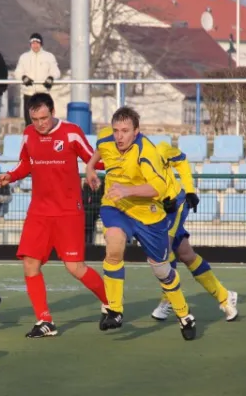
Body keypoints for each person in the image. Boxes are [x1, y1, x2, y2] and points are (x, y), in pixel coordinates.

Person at [0, 93, 108, 338]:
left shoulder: (71, 132)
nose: (40, 124)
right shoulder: (28, 134)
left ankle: (111, 304)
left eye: (44, 118)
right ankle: (45, 321)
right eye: (35, 119)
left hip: (68, 211)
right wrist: (10, 176)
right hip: (39, 212)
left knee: (75, 267)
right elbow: (26, 163)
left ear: (53, 111)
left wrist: (107, 161)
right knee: (29, 264)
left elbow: (94, 160)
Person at [85, 107, 196, 341]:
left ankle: (184, 314)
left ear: (136, 131)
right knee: (114, 246)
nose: (119, 136)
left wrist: (128, 190)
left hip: (149, 214)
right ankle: (114, 310)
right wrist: (90, 167)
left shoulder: (147, 152)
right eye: (116, 130)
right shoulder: (107, 137)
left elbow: (159, 188)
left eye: (125, 131)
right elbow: (99, 150)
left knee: (162, 270)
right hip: (116, 207)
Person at [151, 142, 238, 322]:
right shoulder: (127, 159)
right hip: (158, 209)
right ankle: (224, 296)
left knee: (163, 249)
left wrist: (190, 190)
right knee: (185, 254)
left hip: (175, 204)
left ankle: (168, 299)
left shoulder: (159, 149)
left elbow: (182, 160)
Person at [14, 33, 61, 126]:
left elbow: (56, 71)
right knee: (29, 121)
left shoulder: (49, 56)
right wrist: (24, 78)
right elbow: (17, 72)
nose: (35, 45)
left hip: (43, 93)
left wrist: (51, 78)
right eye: (33, 43)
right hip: (29, 93)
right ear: (30, 44)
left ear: (41, 44)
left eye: (37, 43)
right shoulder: (24, 57)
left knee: (44, 121)